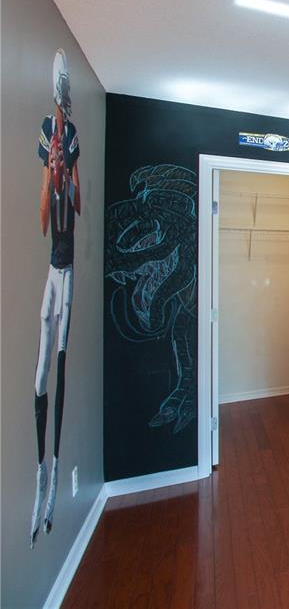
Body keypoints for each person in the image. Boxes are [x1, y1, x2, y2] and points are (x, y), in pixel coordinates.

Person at [31, 49, 80, 547]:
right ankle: (41, 475)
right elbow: (44, 220)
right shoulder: (49, 140)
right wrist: (51, 173)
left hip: (68, 273)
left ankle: (57, 465)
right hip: (52, 269)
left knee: (59, 365)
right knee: (41, 370)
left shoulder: (72, 143)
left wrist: (69, 175)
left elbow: (78, 202)